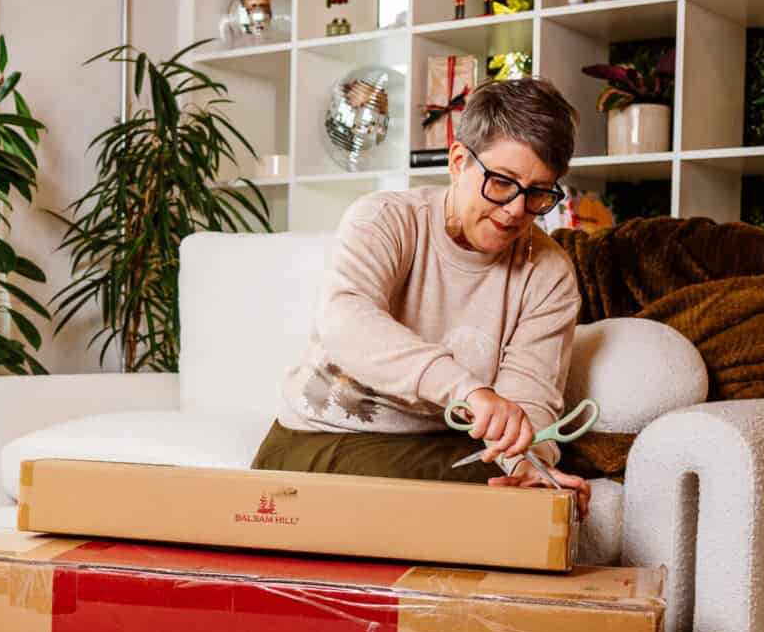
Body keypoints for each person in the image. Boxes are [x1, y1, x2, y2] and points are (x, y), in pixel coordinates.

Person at [252, 76, 591, 517]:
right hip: (324, 437)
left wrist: (527, 466)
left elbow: (529, 399)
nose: (515, 211)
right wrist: (467, 391)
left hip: (440, 451)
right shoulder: (385, 219)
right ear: (457, 161)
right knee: (480, 502)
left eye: (538, 193)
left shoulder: (549, 274)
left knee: (525, 498)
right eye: (502, 183)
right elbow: (346, 321)